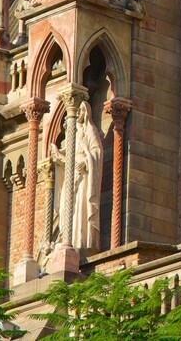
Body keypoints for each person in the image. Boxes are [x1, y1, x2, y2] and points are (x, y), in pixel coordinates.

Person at [72, 101, 104, 253]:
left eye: (80, 110)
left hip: (85, 176)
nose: (78, 113)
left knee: (83, 205)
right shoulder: (74, 133)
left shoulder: (90, 129)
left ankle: (84, 241)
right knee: (74, 207)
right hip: (74, 176)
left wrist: (85, 162)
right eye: (76, 111)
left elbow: (97, 152)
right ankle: (73, 240)